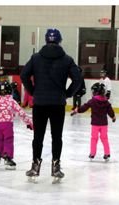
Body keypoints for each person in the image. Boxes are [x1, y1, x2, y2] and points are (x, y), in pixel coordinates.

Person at [21, 28, 82, 182]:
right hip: (57, 103)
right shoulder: (67, 59)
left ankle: (35, 166)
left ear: (46, 40)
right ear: (59, 40)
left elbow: (24, 75)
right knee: (57, 136)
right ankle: (56, 166)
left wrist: (33, 91)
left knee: (38, 136)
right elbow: (78, 79)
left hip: (40, 102)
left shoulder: (35, 58)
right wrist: (67, 93)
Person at [0, 80, 33, 169]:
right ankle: (7, 157)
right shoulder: (11, 101)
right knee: (8, 140)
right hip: (7, 125)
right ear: (10, 90)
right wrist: (28, 123)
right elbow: (21, 112)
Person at [70, 82, 116, 161]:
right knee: (104, 138)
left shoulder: (93, 101)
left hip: (95, 124)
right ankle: (107, 153)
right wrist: (113, 117)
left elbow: (84, 107)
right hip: (104, 124)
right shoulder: (106, 101)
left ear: (96, 92)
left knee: (94, 138)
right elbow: (110, 110)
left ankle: (92, 153)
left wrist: (76, 110)